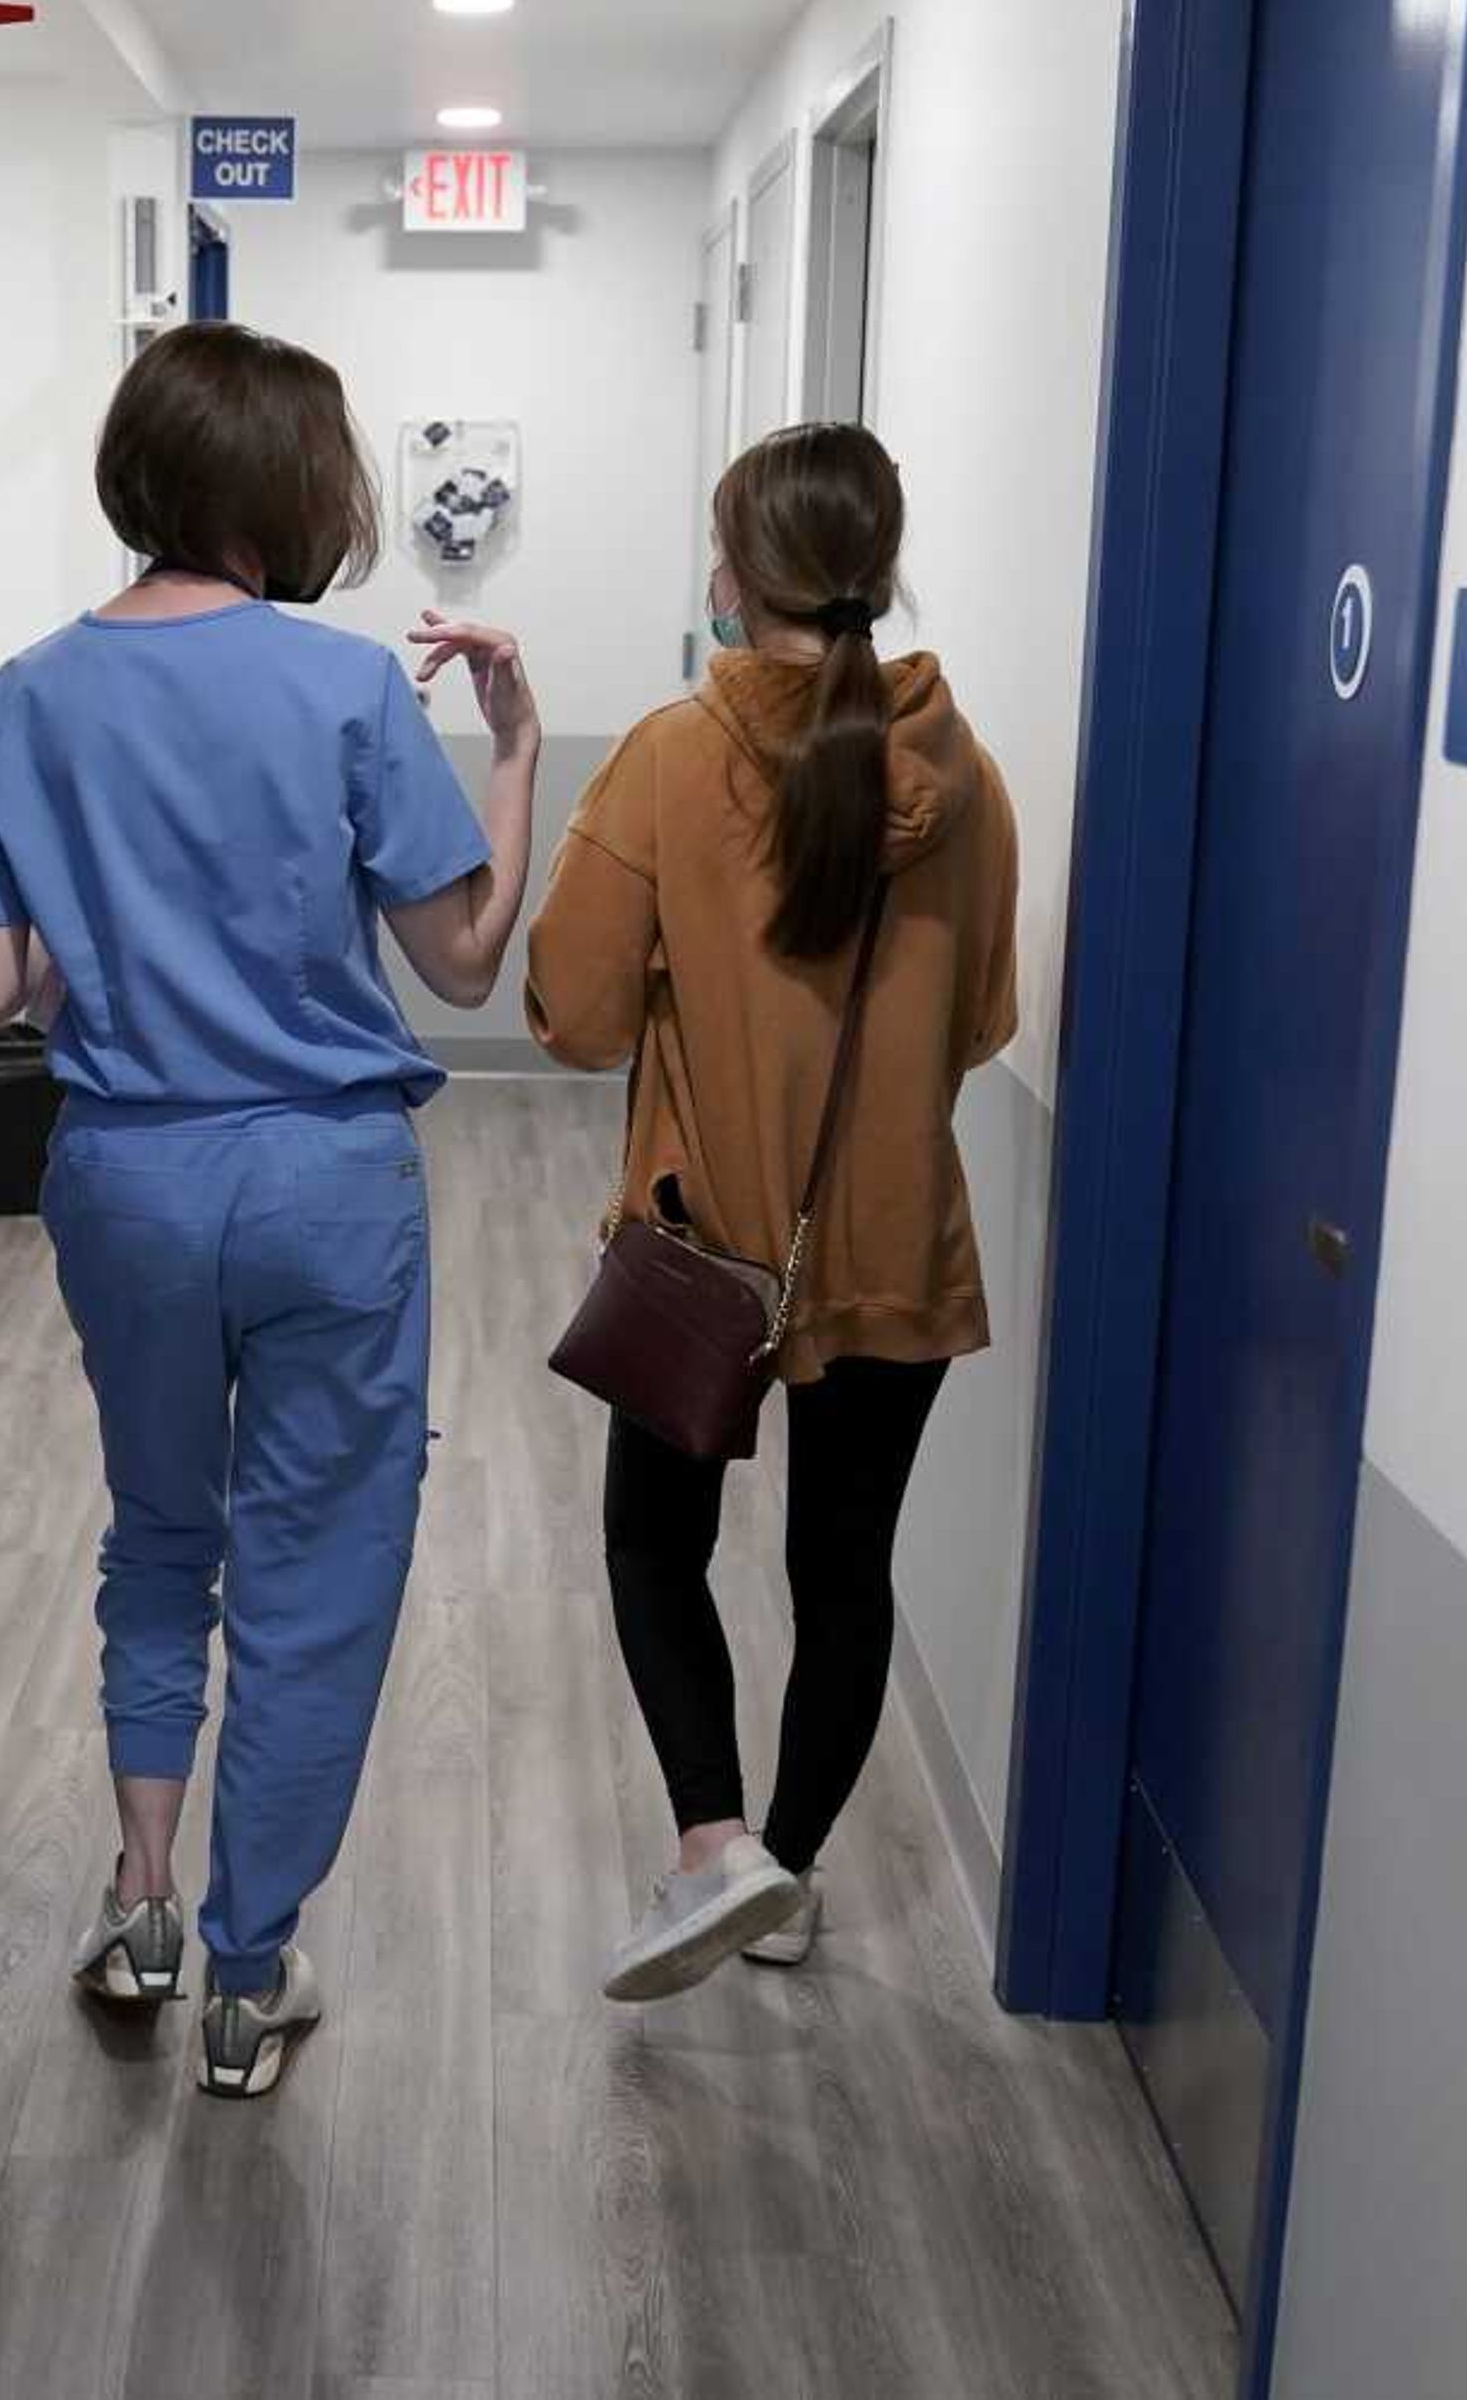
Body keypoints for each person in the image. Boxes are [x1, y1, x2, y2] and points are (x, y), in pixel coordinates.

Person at [0, 320, 543, 2098]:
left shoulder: (27, 695)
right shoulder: (351, 690)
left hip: (123, 1179)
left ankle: (138, 1895)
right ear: (293, 489)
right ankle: (246, 1966)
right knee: (316, 1566)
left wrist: (108, 924)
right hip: (320, 1188)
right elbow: (462, 953)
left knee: (156, 1532)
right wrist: (509, 754)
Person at [520, 422, 1019, 2003]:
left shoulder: (675, 756)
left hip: (709, 1242)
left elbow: (579, 1010)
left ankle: (713, 1841)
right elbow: (981, 1017)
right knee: (845, 1569)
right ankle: (791, 1875)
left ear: (740, 575)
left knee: (650, 1539)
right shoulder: (962, 770)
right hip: (895, 1246)